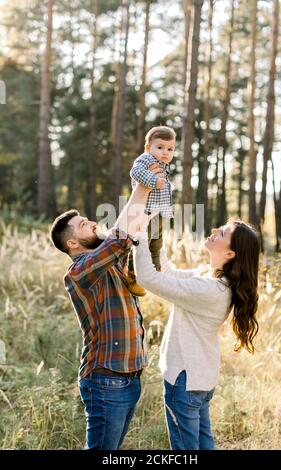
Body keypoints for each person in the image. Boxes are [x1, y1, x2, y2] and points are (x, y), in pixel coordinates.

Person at [130, 188, 260, 450]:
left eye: (222, 233)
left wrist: (138, 237)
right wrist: (154, 236)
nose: (214, 231)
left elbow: (149, 279)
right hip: (198, 378)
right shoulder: (210, 276)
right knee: (202, 445)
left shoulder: (212, 290)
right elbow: (168, 272)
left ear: (231, 253)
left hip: (185, 380)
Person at [49, 180, 159, 450]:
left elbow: (123, 237)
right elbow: (116, 240)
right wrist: (142, 184)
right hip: (106, 380)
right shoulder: (78, 272)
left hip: (129, 378)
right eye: (84, 224)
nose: (93, 223)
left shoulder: (111, 264)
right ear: (72, 242)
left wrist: (150, 197)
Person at [126, 125, 176, 297]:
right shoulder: (146, 160)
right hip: (145, 212)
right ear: (148, 148)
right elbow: (135, 172)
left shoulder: (163, 165)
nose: (165, 152)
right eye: (160, 147)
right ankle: (132, 274)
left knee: (156, 243)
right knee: (141, 244)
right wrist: (154, 181)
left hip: (159, 213)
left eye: (170, 149)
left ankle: (155, 271)